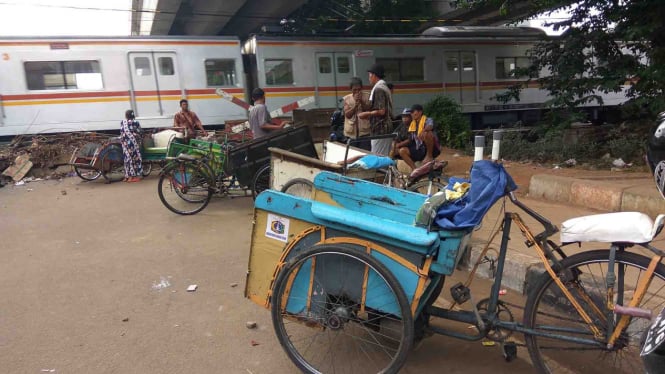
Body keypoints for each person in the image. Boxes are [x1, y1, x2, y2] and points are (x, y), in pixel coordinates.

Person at [359, 63, 393, 156]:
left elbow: (382, 111)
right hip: (383, 129)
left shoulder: (379, 89)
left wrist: (367, 114)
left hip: (381, 128)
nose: (369, 77)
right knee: (382, 156)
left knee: (378, 157)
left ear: (374, 75)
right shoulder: (383, 87)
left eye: (370, 75)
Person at [395, 104, 441, 170]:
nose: (412, 114)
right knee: (402, 151)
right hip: (418, 148)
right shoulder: (412, 124)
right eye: (411, 112)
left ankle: (429, 156)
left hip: (430, 148)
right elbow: (410, 139)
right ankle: (415, 170)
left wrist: (423, 130)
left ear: (420, 112)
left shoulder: (427, 119)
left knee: (427, 133)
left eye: (413, 112)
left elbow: (430, 126)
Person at [342, 77, 371, 151]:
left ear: (362, 88)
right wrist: (355, 105)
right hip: (351, 134)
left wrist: (361, 101)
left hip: (365, 133)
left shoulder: (367, 96)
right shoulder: (347, 99)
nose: (357, 92)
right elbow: (348, 115)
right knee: (352, 153)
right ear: (351, 89)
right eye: (355, 90)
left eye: (359, 89)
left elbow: (368, 110)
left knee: (365, 154)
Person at [120, 109, 143, 183]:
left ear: (126, 116)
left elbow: (121, 132)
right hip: (133, 143)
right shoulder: (135, 122)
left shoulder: (122, 122)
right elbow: (139, 131)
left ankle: (128, 176)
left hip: (124, 143)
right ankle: (135, 176)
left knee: (127, 159)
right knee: (135, 159)